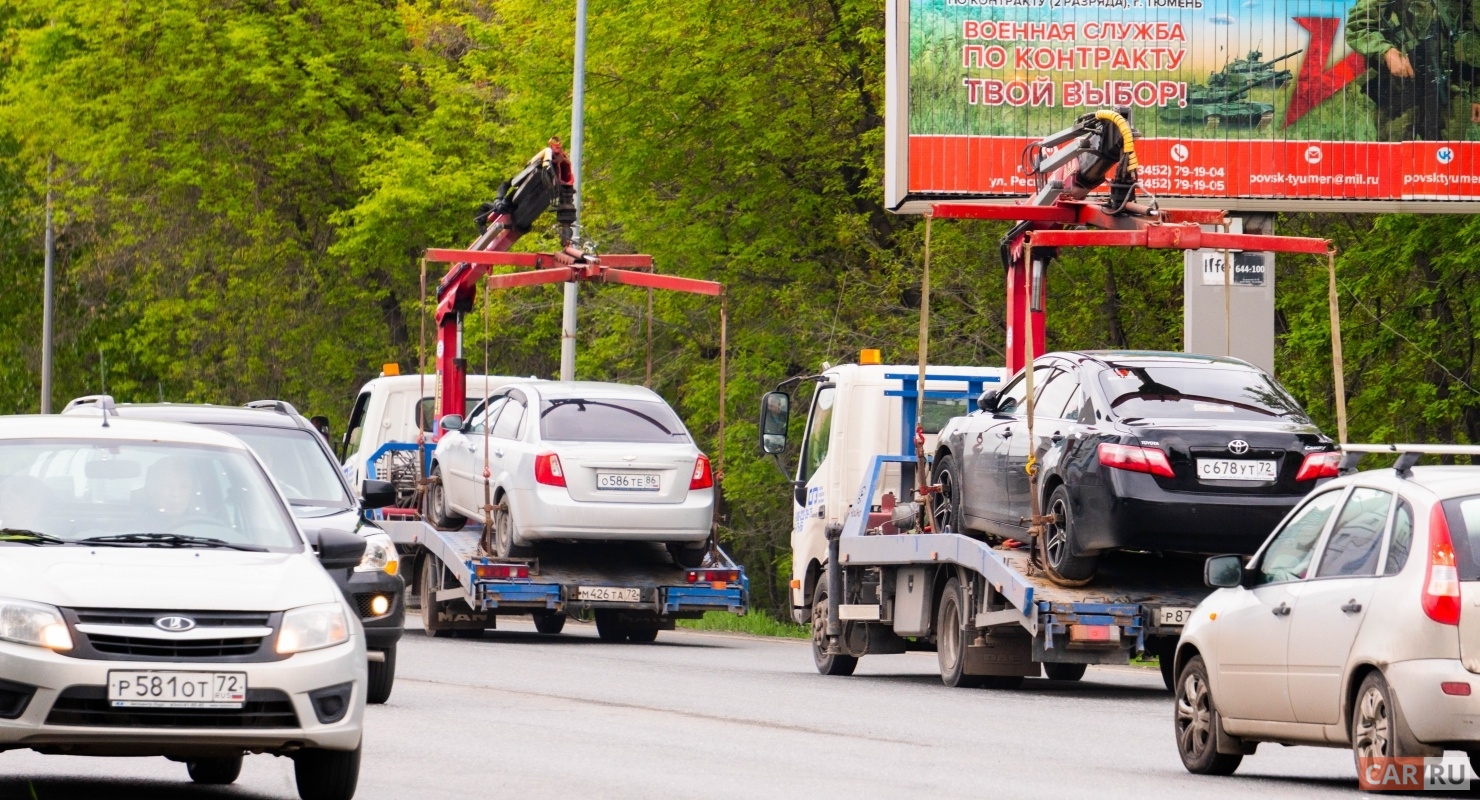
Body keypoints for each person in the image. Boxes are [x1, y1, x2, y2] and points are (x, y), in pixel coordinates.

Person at [1347, 0, 1480, 140]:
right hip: (1400, 91)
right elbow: (1357, 27)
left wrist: (1476, 93)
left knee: (1447, 158)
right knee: (1396, 158)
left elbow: (1473, 38)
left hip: (1448, 91)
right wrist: (1385, 51)